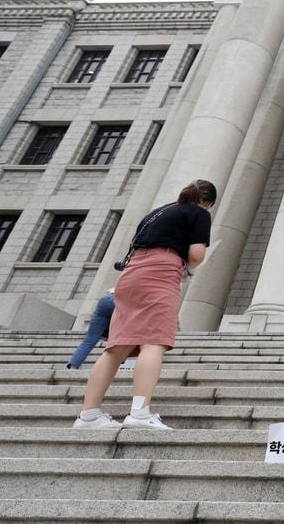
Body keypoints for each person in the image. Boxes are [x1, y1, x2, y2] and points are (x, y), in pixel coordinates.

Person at [73, 180, 216, 430]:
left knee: (116, 347)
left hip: (132, 273)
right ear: (208, 202)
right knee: (153, 341)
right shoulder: (199, 214)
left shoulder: (158, 212)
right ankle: (139, 414)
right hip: (160, 273)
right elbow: (196, 256)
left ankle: (88, 415)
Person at [67, 289, 115, 369]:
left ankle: (73, 365)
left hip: (105, 299)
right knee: (122, 340)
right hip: (120, 300)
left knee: (89, 341)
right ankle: (116, 365)